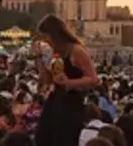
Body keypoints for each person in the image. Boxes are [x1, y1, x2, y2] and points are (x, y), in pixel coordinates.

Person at [34, 15, 99, 146]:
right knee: (44, 136)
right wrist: (40, 59)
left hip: (71, 101)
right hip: (56, 99)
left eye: (46, 36)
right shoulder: (53, 53)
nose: (45, 40)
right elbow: (46, 81)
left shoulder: (76, 50)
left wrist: (69, 83)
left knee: (63, 138)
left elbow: (93, 78)